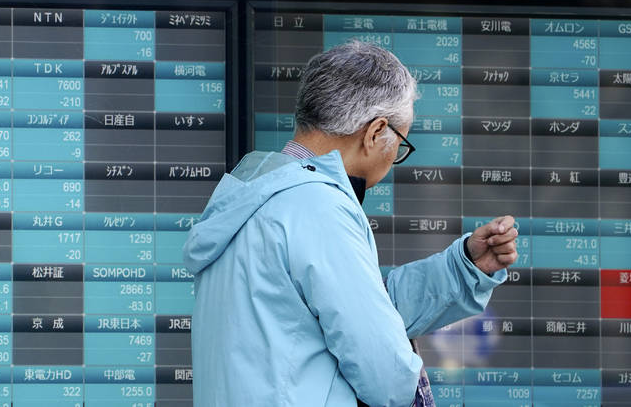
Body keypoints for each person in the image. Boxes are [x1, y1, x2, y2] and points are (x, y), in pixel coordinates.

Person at [183, 40, 519, 406]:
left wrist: (463, 267)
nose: (394, 159)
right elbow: (385, 373)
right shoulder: (316, 206)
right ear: (376, 132)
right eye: (400, 143)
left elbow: (355, 313)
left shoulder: (256, 195)